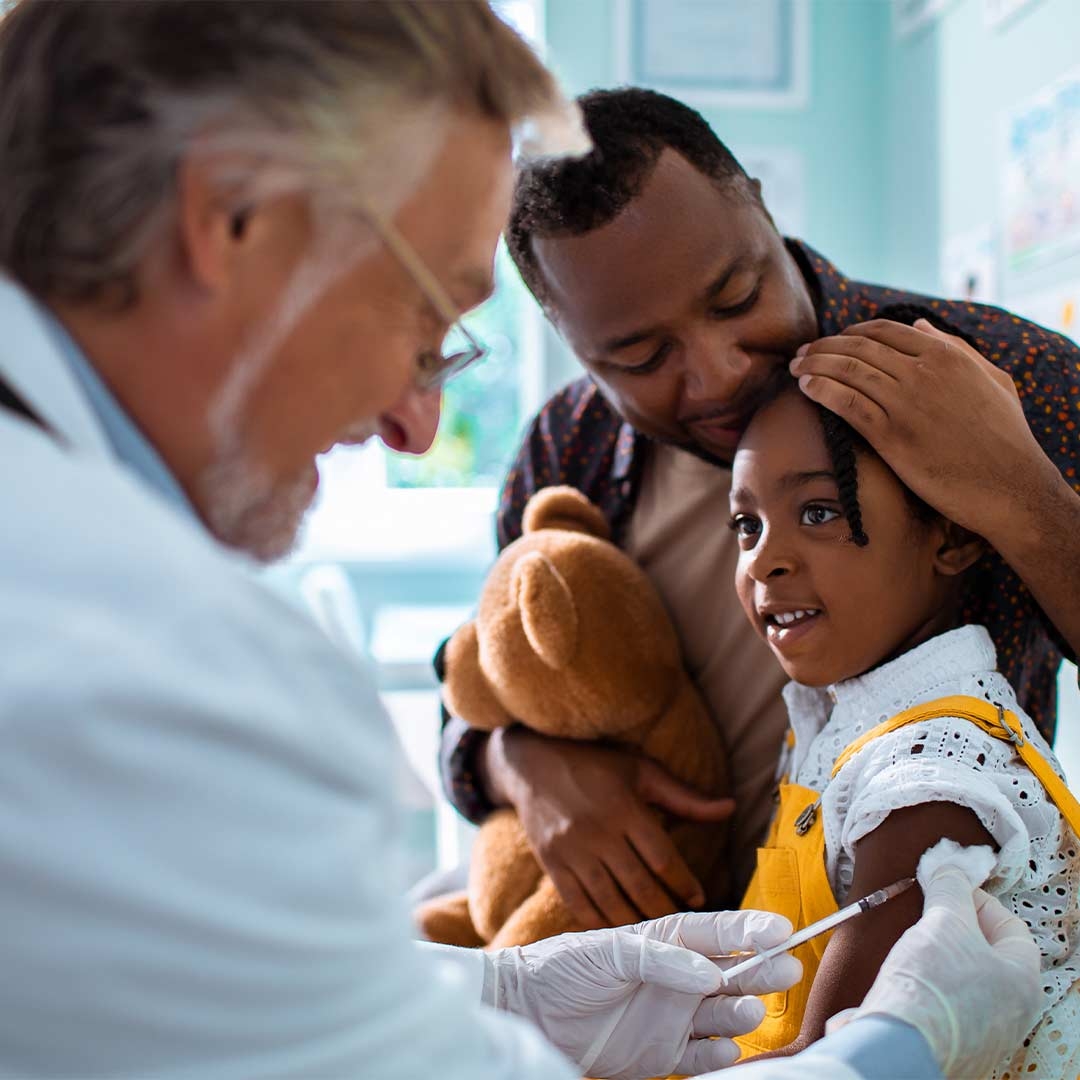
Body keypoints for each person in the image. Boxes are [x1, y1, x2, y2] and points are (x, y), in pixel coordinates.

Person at [0, 2, 1049, 1078]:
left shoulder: (991, 388)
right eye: (421, 324)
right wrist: (893, 1051)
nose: (414, 429)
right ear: (230, 221)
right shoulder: (132, 677)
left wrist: (501, 997)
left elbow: (185, 997)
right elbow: (490, 666)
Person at [438, 86, 1080, 927]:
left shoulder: (997, 376)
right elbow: (475, 681)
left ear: (761, 210)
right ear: (573, 346)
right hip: (653, 991)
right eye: (641, 355)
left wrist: (1020, 494)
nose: (718, 373)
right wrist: (516, 759)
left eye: (737, 297)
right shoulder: (572, 451)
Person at [723, 321, 1080, 1074]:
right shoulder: (847, 721)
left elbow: (827, 1063)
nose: (764, 561)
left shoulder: (926, 781)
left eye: (818, 512)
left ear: (950, 536)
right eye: (746, 525)